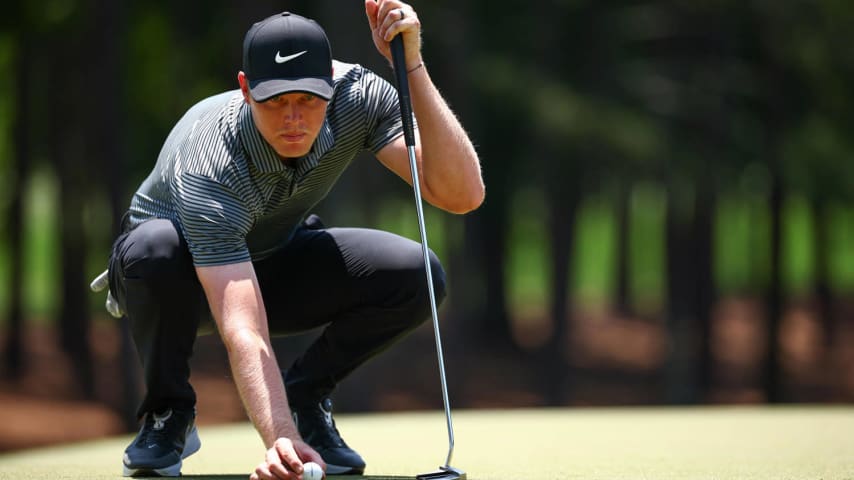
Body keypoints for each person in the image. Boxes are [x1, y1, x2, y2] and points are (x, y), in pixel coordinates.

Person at [102, 1, 484, 479]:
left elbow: (462, 194)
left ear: (329, 82)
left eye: (307, 99)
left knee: (417, 274)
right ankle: (168, 412)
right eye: (276, 101)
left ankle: (307, 394)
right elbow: (242, 324)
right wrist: (280, 437)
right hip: (175, 284)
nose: (293, 119)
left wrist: (410, 66)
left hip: (273, 255)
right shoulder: (210, 161)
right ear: (245, 90)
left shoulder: (357, 96)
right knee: (153, 248)